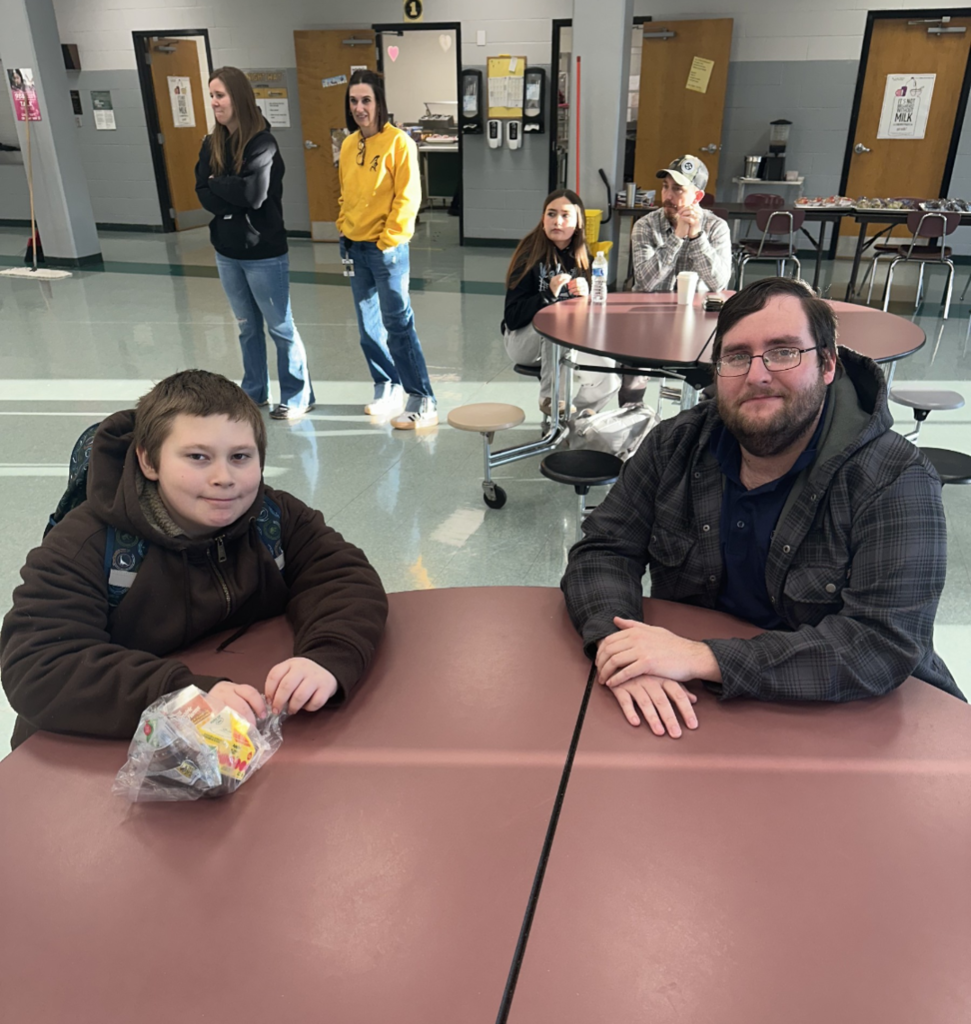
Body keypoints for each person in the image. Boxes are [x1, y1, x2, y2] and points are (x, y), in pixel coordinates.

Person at [561, 276, 962, 738]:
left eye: (784, 351)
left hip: (861, 724)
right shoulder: (676, 445)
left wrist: (702, 657)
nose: (757, 374)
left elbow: (880, 644)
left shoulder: (894, 477)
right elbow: (604, 550)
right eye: (736, 356)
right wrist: (623, 647)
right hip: (700, 716)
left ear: (828, 364)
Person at [0, 370, 388, 750]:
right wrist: (181, 696)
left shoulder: (274, 517)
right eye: (198, 457)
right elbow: (38, 666)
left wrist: (327, 656)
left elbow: (345, 577)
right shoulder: (86, 544)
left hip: (243, 739)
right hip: (86, 753)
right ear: (149, 462)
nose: (224, 477)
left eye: (240, 456)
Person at [195, 66, 316, 420]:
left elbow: (254, 194)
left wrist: (221, 184)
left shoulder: (263, 142)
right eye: (212, 95)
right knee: (247, 327)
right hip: (227, 251)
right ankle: (254, 391)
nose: (214, 102)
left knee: (280, 327)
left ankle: (298, 394)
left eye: (220, 95)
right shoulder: (211, 143)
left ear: (239, 98)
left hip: (264, 253)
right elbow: (203, 192)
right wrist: (223, 186)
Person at [338, 70, 437, 430]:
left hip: (386, 250)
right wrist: (343, 226)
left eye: (366, 100)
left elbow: (409, 198)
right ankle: (387, 385)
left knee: (398, 324)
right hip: (353, 246)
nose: (360, 108)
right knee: (368, 325)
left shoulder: (399, 143)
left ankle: (422, 398)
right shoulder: (349, 145)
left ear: (379, 103)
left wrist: (387, 241)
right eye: (354, 101)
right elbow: (346, 192)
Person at [503, 189, 619, 416]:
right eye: (551, 214)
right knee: (559, 326)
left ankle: (573, 425)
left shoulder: (584, 256)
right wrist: (548, 294)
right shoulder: (528, 255)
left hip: (566, 342)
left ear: (578, 223)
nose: (557, 221)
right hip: (524, 341)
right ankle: (552, 400)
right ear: (543, 219)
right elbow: (513, 317)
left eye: (566, 215)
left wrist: (589, 297)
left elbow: (593, 317)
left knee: (607, 376)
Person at [631, 154, 732, 294]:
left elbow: (718, 284)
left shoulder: (716, 227)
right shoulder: (645, 225)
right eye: (665, 187)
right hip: (651, 308)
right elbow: (645, 283)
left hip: (696, 310)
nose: (668, 196)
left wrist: (697, 238)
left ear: (697, 197)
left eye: (677, 189)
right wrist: (677, 237)